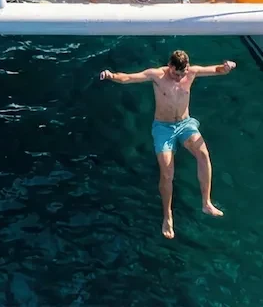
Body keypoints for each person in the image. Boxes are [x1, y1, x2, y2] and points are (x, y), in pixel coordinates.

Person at [99, 50, 234, 239]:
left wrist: (227, 67)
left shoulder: (191, 72)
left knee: (203, 154)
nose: (179, 77)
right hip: (163, 128)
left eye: (182, 73)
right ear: (169, 66)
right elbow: (129, 78)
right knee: (167, 172)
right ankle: (167, 215)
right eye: (176, 74)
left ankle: (206, 203)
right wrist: (112, 75)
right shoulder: (157, 76)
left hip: (185, 124)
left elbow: (217, 70)